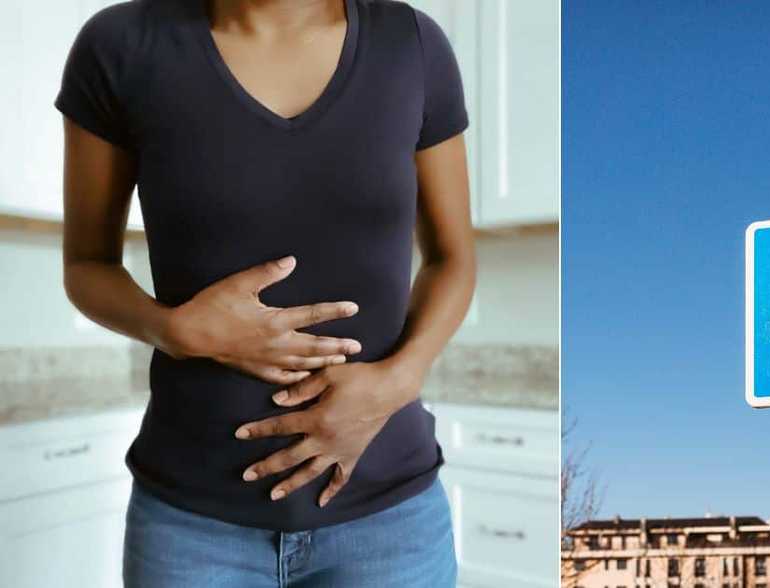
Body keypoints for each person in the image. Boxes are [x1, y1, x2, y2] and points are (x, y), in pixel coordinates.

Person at [56, 0, 475, 585]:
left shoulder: (413, 45)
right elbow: (85, 265)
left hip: (389, 526)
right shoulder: (121, 45)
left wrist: (398, 382)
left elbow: (454, 258)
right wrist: (174, 330)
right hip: (191, 529)